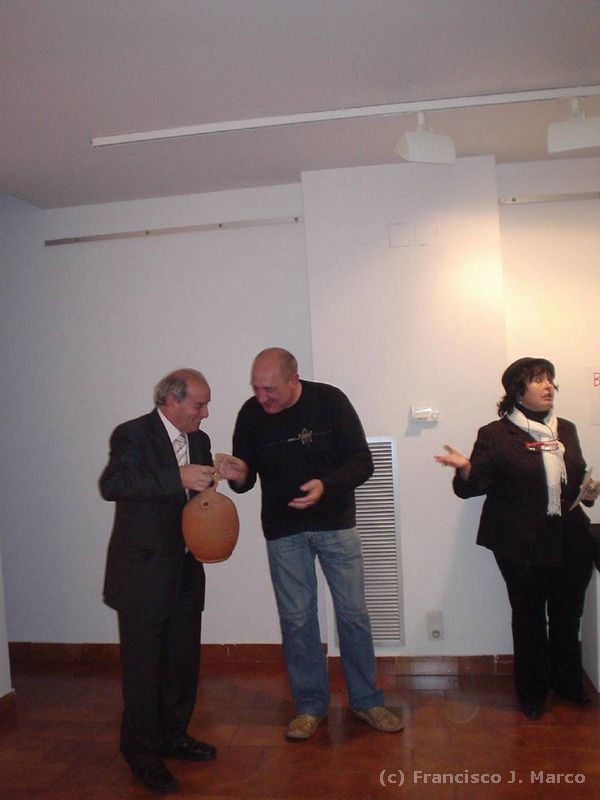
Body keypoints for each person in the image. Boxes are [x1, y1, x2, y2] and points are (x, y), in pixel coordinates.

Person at [214, 347, 403, 739]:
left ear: (293, 379)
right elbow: (246, 481)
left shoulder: (330, 401)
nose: (261, 397)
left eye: (269, 389)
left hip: (336, 525)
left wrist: (326, 486)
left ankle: (366, 700)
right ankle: (310, 706)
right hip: (283, 531)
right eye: (256, 388)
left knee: (353, 615)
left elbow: (362, 462)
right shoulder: (250, 414)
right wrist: (237, 471)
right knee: (297, 620)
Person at [434, 357, 600, 720]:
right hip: (519, 542)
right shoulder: (495, 434)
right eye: (538, 380)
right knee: (528, 618)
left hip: (569, 537)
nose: (548, 386)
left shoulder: (566, 429)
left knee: (567, 615)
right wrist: (465, 469)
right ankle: (532, 693)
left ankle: (567, 684)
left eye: (550, 380)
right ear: (517, 391)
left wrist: (588, 491)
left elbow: (572, 478)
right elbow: (472, 488)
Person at [100, 369, 217, 795]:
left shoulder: (199, 440)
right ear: (171, 401)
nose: (205, 413)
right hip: (142, 574)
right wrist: (177, 476)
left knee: (182, 664)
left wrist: (218, 477)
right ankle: (142, 755)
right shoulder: (132, 434)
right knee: (144, 672)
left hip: (185, 570)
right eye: (199, 405)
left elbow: (195, 500)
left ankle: (174, 736)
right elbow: (113, 484)